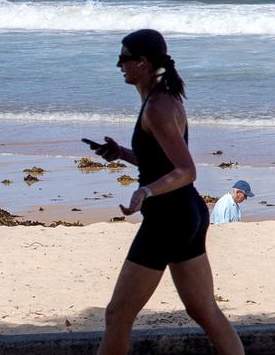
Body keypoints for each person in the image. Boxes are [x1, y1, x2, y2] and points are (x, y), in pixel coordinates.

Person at [89, 29, 244, 355]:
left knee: (118, 314)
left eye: (124, 58)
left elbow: (186, 170)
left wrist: (145, 190)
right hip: (188, 214)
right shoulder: (161, 99)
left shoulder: (157, 107)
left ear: (142, 62)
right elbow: (162, 162)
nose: (119, 64)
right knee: (204, 310)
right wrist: (122, 154)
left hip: (168, 219)